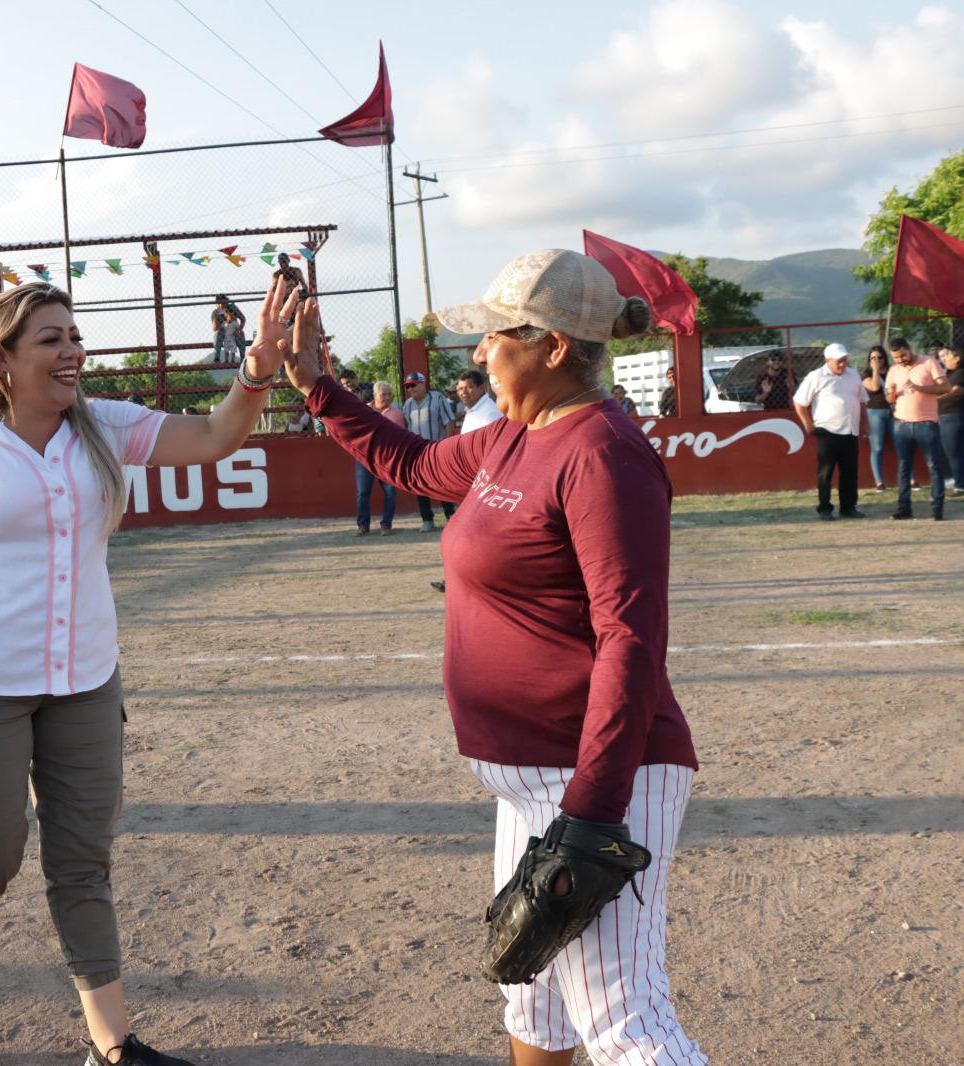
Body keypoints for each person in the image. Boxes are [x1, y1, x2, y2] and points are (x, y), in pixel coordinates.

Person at [281, 248, 704, 1066]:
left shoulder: (601, 453)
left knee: (628, 1028)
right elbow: (409, 462)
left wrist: (591, 809)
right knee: (533, 1003)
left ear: (552, 348)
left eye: (495, 338)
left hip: (595, 777)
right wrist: (316, 388)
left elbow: (630, 637)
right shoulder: (513, 436)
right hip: (529, 781)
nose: (478, 354)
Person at [0, 278, 297, 1066]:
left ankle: (111, 1045)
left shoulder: (103, 426)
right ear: (3, 357)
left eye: (75, 337)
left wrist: (258, 370)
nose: (72, 351)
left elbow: (213, 437)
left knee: (83, 860)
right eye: (51, 339)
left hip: (85, 679)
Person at [793, 343, 867, 520]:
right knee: (826, 472)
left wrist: (864, 424)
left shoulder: (854, 374)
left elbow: (862, 401)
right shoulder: (816, 376)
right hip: (827, 431)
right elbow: (800, 402)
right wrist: (808, 425)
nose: (843, 364)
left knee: (850, 472)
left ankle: (848, 507)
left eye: (844, 360)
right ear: (828, 360)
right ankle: (825, 508)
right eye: (839, 361)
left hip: (850, 430)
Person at [884, 336, 950, 520]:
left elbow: (945, 387)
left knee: (934, 466)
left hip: (926, 423)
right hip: (901, 424)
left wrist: (919, 388)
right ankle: (904, 507)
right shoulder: (893, 370)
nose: (900, 360)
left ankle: (937, 507)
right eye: (896, 357)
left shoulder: (928, 362)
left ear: (909, 348)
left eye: (903, 355)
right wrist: (895, 393)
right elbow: (888, 399)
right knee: (904, 467)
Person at [402, 371, 457, 530]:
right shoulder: (408, 405)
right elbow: (406, 426)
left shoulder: (437, 398)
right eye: (408, 386)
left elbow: (449, 421)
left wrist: (446, 445)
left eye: (414, 385)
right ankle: (427, 520)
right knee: (420, 486)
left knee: (442, 484)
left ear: (423, 383)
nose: (410, 389)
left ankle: (450, 516)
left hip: (436, 450)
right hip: (417, 453)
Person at [354, 381, 403, 536]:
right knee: (362, 492)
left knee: (390, 493)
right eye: (384, 394)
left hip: (387, 459)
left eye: (389, 394)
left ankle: (386, 525)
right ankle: (363, 526)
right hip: (365, 458)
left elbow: (401, 438)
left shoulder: (397, 414)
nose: (387, 397)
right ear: (375, 396)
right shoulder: (362, 411)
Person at [863, 346, 894, 489]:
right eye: (873, 358)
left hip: (894, 412)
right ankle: (879, 482)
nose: (876, 360)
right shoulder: (866, 375)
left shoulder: (893, 371)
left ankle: (911, 479)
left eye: (879, 357)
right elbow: (875, 387)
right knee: (877, 447)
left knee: (901, 445)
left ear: (885, 358)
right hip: (875, 413)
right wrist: (875, 370)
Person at [936, 347, 964, 496]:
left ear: (957, 358)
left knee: (954, 453)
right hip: (947, 416)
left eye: (948, 356)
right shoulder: (949, 374)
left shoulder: (960, 373)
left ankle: (959, 485)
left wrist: (936, 400)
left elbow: (957, 391)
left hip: (952, 416)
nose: (945, 359)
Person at [456, 369, 501, 433]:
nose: (463, 392)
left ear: (481, 388)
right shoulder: (472, 409)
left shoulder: (490, 413)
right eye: (460, 388)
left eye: (469, 387)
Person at [210, 294, 246, 364]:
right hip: (223, 333)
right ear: (216, 304)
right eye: (219, 303)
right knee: (217, 334)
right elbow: (214, 329)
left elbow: (243, 319)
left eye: (223, 303)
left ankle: (242, 358)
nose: (222, 305)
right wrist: (215, 317)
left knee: (241, 333)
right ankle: (217, 358)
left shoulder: (232, 307)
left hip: (234, 331)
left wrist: (239, 329)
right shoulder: (215, 312)